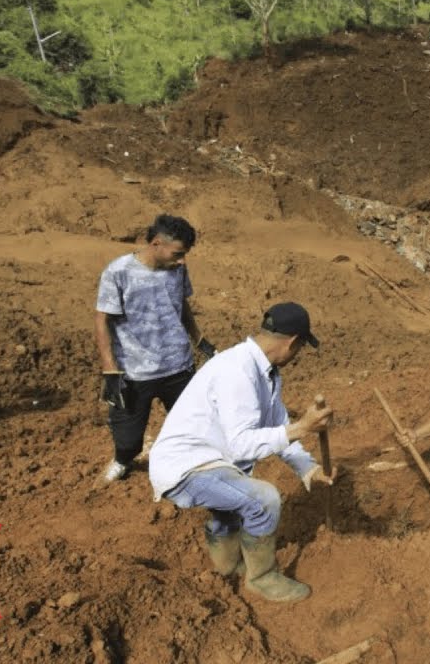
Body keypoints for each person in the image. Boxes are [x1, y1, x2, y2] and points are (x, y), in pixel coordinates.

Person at [148, 302, 334, 603]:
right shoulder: (238, 370)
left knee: (236, 501)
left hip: (209, 462)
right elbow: (242, 445)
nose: (297, 356)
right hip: (185, 468)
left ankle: (228, 565)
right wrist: (303, 427)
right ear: (293, 342)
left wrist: (308, 469)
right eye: (300, 348)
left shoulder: (265, 373)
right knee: (264, 498)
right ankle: (261, 578)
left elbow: (278, 427)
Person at [94, 214, 216, 483]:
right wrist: (110, 370)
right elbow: (103, 319)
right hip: (136, 373)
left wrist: (199, 339)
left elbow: (181, 304)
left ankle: (193, 466)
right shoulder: (119, 272)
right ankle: (122, 460)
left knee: (193, 425)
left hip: (179, 367)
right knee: (128, 439)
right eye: (178, 253)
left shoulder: (177, 269)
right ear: (157, 243)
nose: (182, 260)